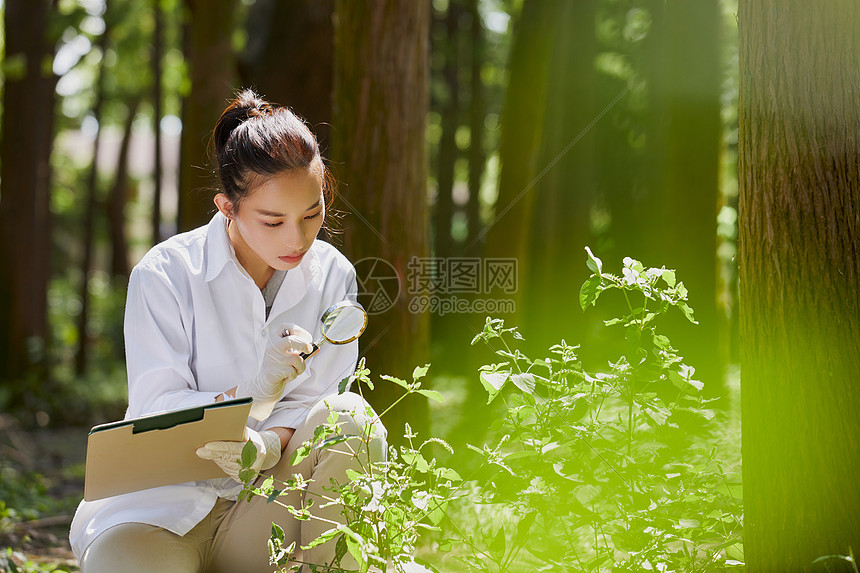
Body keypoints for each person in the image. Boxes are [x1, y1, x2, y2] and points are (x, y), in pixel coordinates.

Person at [69, 89, 386, 573]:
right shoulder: (166, 274)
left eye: (312, 214)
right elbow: (155, 407)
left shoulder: (333, 274)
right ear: (226, 207)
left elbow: (320, 399)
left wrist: (270, 443)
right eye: (273, 220)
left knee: (351, 420)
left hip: (265, 509)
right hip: (158, 512)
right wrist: (252, 395)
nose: (297, 239)